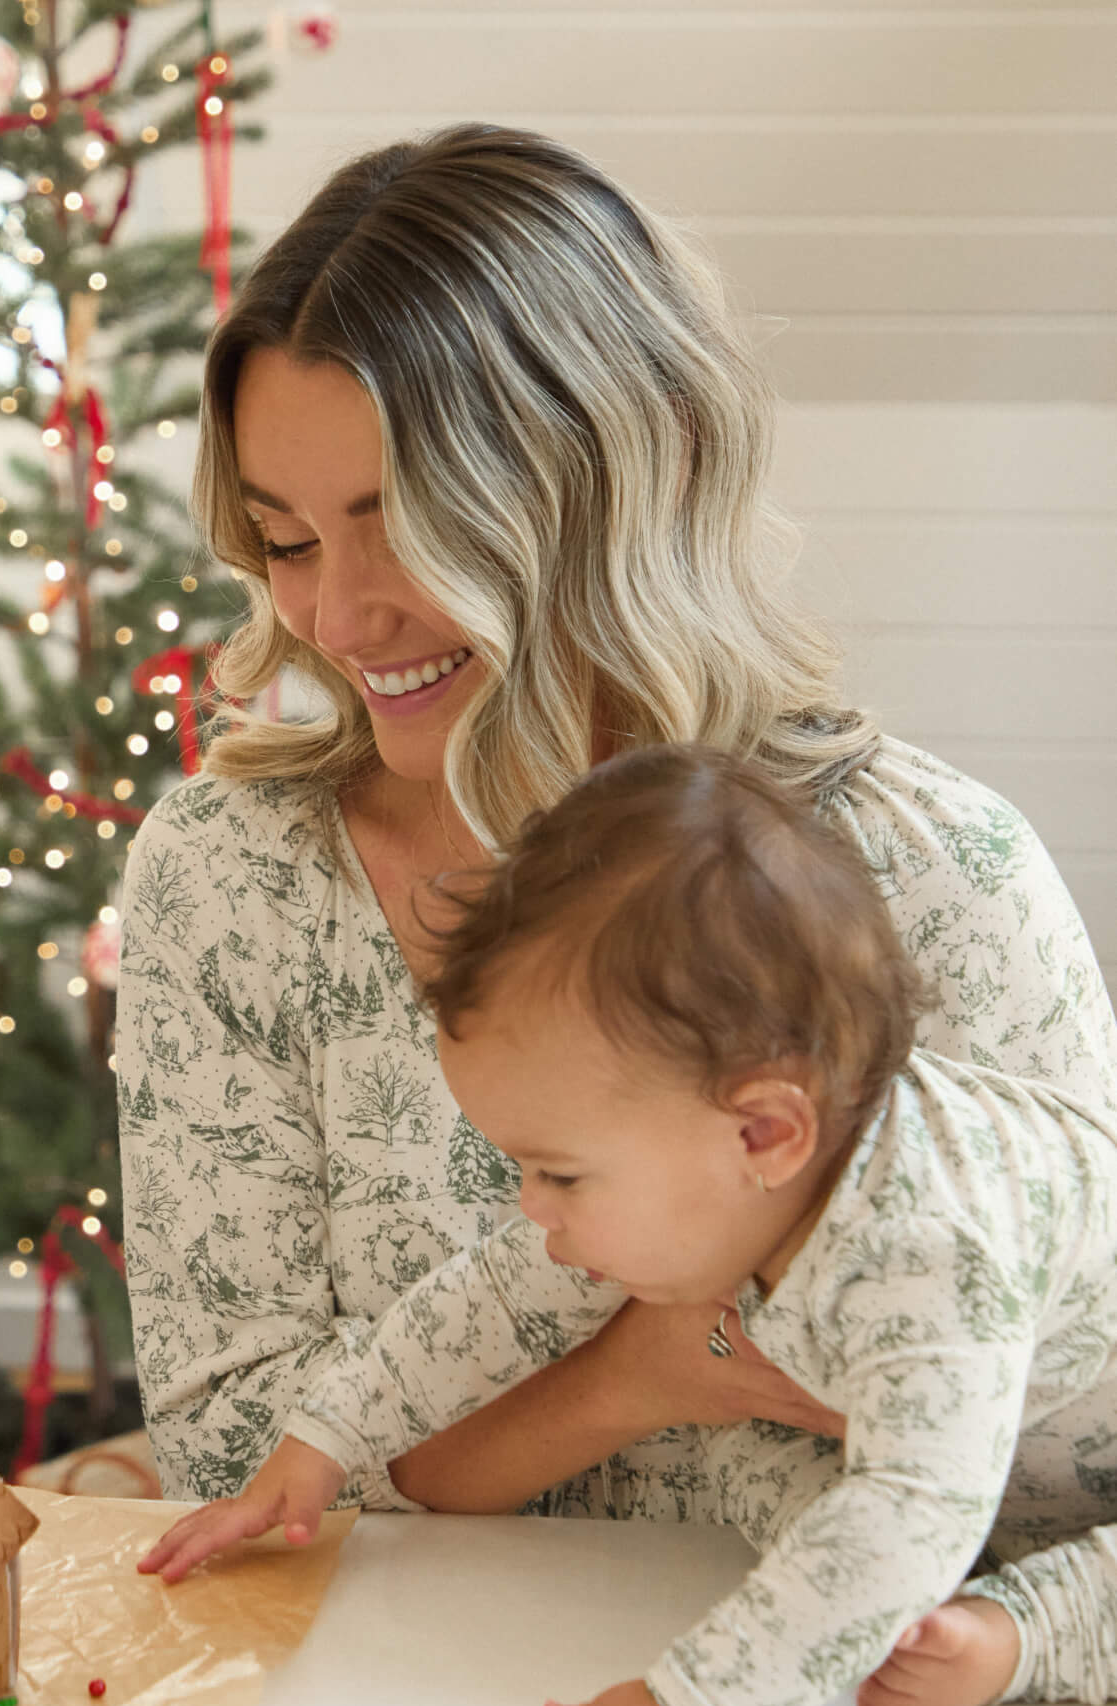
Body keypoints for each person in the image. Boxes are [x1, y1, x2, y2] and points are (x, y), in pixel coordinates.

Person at [117, 123, 1117, 1523]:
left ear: (612, 488)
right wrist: (642, 1370)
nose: (335, 617)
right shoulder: (233, 882)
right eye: (285, 540)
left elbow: (1082, 1470)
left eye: (406, 522)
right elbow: (233, 1457)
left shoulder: (935, 870)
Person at [142, 748, 1117, 1706]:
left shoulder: (929, 1249)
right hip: (1018, 1483)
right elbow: (499, 1299)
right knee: (816, 1512)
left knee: (900, 1551)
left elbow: (908, 1513)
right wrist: (326, 1438)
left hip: (1040, 1489)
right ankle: (1000, 1627)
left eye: (558, 1172)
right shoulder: (729, 1174)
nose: (532, 1207)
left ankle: (1027, 1632)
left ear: (764, 1129)